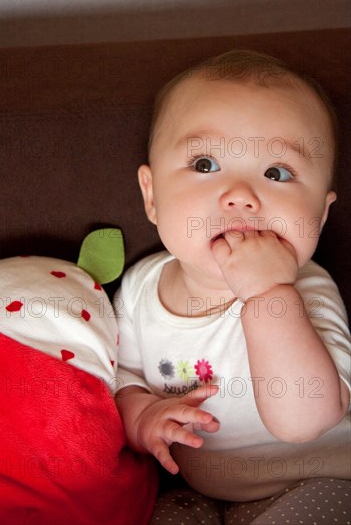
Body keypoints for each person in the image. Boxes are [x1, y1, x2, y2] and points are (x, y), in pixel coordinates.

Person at [114, 50, 351, 524]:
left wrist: (268, 294)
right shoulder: (141, 288)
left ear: (320, 217)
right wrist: (142, 419)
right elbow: (123, 378)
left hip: (318, 479)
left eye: (277, 174)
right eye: (205, 164)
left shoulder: (305, 292)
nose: (241, 195)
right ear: (152, 196)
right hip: (196, 489)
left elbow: (303, 421)